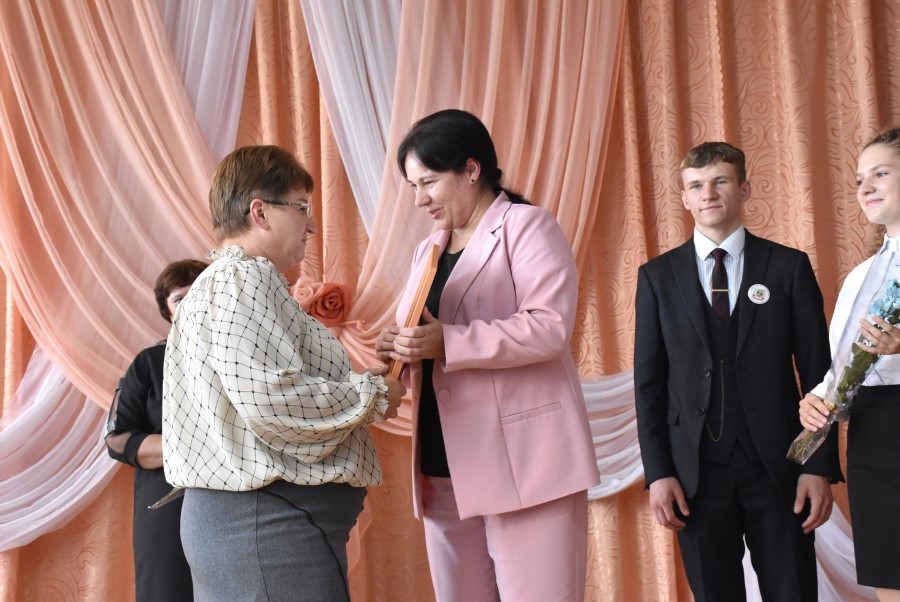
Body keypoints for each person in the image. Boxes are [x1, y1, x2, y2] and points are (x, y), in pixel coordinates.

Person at [162, 145, 405, 601]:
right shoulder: (242, 279)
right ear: (260, 212)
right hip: (268, 527)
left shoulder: (226, 282)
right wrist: (371, 395)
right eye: (301, 208)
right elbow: (271, 398)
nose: (311, 225)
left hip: (262, 524)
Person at [375, 109, 599, 602]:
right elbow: (428, 340)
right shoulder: (427, 251)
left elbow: (550, 327)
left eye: (428, 182)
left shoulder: (527, 226)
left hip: (525, 463)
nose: (419, 199)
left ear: (471, 170)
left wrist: (449, 341)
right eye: (412, 187)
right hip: (441, 466)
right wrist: (402, 349)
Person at [634, 141, 843, 601]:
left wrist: (818, 467)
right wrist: (659, 472)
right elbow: (648, 385)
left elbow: (819, 375)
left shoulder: (788, 267)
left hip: (781, 469)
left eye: (720, 181)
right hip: (694, 476)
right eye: (696, 186)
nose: (708, 193)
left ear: (744, 189)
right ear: (685, 198)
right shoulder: (657, 277)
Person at [800, 127, 900, 602]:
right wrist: (818, 400)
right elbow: (839, 367)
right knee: (891, 576)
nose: (865, 188)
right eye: (860, 179)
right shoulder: (860, 277)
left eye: (881, 174)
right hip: (873, 435)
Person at [105, 259, 207, 602]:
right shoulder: (147, 363)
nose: (191, 303)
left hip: (241, 505)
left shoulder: (248, 357)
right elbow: (118, 438)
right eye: (180, 298)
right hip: (164, 508)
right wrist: (194, 447)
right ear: (167, 310)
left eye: (200, 292)